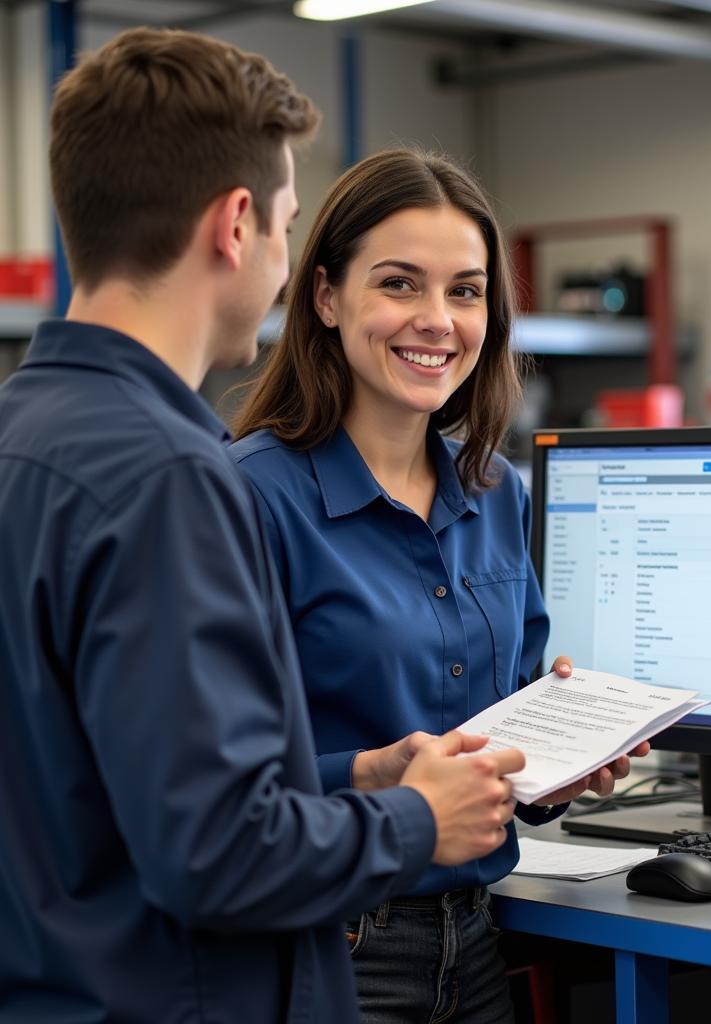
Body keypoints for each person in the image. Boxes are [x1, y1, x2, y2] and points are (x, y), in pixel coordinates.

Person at [0, 31, 529, 1024]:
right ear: (236, 224)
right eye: (289, 225)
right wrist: (414, 819)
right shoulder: (170, 476)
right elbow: (217, 850)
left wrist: (366, 773)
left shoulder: (26, 431)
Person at [230, 148, 649, 1023]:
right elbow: (214, 792)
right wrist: (380, 782)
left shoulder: (497, 492)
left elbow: (501, 730)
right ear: (325, 297)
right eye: (399, 284)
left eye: (465, 290)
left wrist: (554, 767)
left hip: (478, 944)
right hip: (326, 948)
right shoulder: (247, 498)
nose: (438, 320)